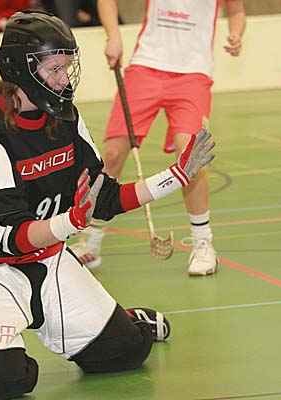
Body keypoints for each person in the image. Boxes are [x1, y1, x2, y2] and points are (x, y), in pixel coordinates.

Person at [0, 10, 215, 400]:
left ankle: (122, 321)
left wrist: (175, 176)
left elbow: (104, 197)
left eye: (67, 68)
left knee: (127, 352)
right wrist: (72, 221)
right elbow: (9, 235)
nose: (65, 79)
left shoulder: (64, 117)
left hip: (47, 257)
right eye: (55, 69)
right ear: (19, 68)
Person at [73, 0, 246, 276]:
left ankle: (203, 243)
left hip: (193, 74)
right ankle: (91, 242)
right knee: (113, 155)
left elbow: (236, 11)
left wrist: (236, 34)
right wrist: (113, 35)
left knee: (191, 156)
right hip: (145, 67)